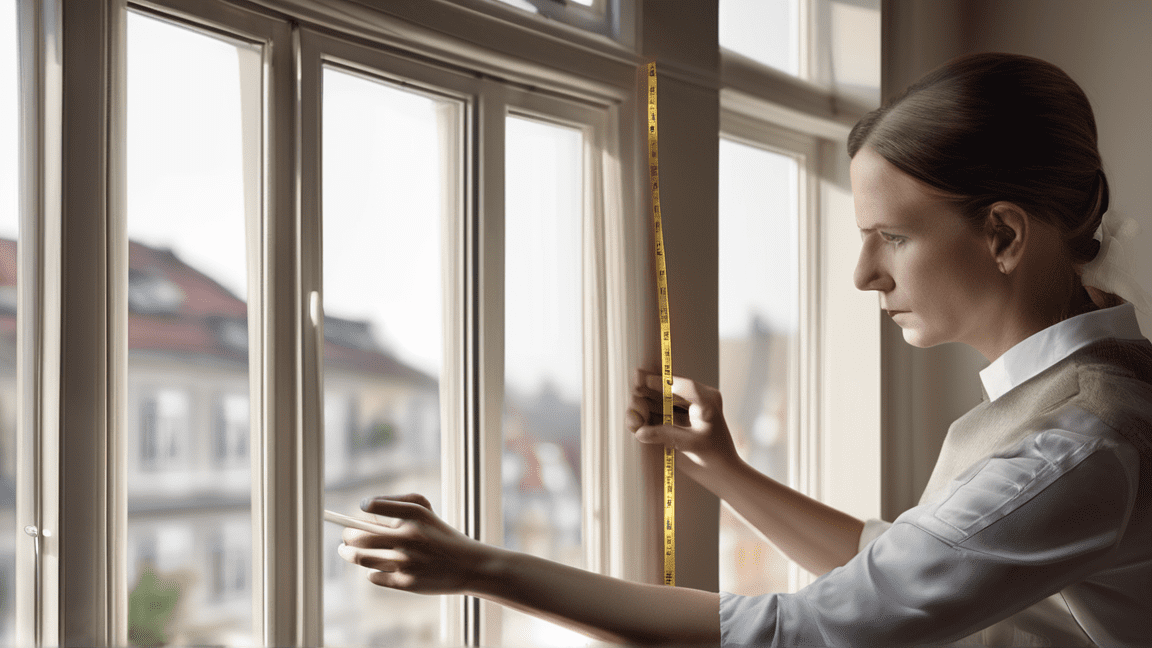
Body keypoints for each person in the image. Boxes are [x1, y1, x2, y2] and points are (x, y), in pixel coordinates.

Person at [338, 52, 1152, 647]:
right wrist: (724, 472)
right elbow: (903, 566)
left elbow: (807, 631)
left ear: (1003, 234)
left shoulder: (1079, 444)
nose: (864, 273)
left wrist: (480, 568)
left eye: (892, 238)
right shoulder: (1085, 400)